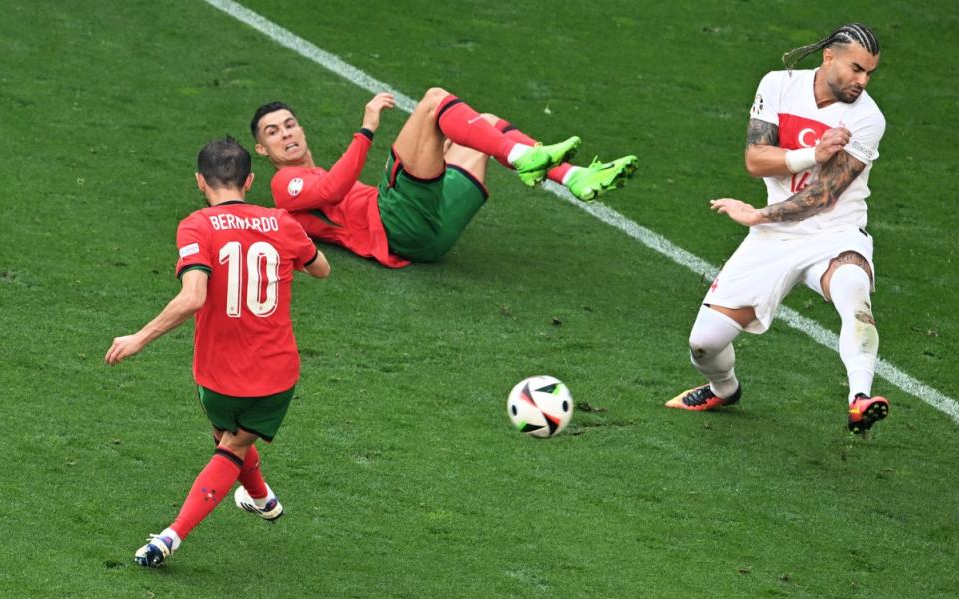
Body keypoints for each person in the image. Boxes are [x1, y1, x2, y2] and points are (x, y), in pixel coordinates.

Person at [105, 137, 331, 567]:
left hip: (217, 373)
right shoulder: (281, 221)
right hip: (275, 373)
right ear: (249, 180)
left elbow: (193, 297)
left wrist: (138, 338)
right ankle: (248, 503)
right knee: (235, 444)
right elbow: (322, 268)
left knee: (229, 441)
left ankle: (183, 531)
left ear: (199, 182)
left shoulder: (196, 226)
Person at [666, 23, 890, 435]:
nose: (863, 81)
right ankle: (725, 388)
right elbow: (756, 160)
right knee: (704, 343)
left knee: (854, 294)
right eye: (856, 69)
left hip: (834, 233)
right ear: (829, 58)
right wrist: (812, 154)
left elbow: (824, 196)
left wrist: (757, 216)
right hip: (775, 237)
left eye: (869, 73)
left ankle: (859, 399)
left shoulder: (869, 119)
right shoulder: (778, 84)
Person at [250, 88, 638, 267]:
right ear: (263, 151)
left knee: (483, 126)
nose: (285, 133)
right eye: (273, 132)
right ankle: (523, 157)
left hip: (431, 235)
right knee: (434, 101)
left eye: (289, 124)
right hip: (394, 224)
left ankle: (573, 177)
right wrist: (366, 130)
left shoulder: (311, 176)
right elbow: (333, 188)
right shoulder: (284, 184)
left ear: (301, 129)